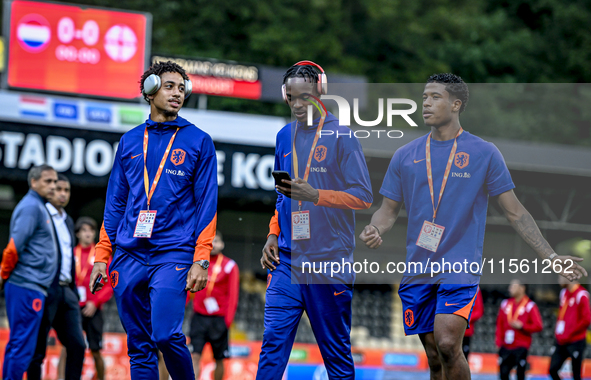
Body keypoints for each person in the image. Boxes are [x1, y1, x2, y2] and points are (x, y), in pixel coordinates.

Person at [359, 73, 586, 380]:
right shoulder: (405, 155)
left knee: (448, 343)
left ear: (456, 104)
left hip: (460, 265)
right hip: (418, 269)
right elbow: (387, 211)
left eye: (435, 97)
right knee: (435, 357)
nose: (425, 103)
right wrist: (376, 228)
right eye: (424, 97)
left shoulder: (484, 153)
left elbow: (515, 211)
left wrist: (551, 257)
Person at [89, 60, 218, 380]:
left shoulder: (199, 141)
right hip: (128, 254)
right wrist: (102, 257)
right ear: (149, 91)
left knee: (165, 334)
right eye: (170, 86)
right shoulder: (129, 141)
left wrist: (201, 259)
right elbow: (115, 204)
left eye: (182, 88)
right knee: (139, 345)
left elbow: (207, 204)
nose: (178, 94)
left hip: (173, 252)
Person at [258, 61, 373, 379]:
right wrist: (272, 234)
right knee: (272, 345)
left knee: (335, 353)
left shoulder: (342, 136)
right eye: (291, 97)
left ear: (320, 91)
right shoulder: (284, 136)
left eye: (304, 97)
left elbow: (363, 197)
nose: (297, 105)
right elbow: (282, 196)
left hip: (328, 264)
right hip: (287, 262)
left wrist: (316, 195)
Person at [1, 165, 59, 379]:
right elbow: (14, 246)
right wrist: (3, 274)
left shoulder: (39, 205)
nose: (53, 186)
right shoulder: (31, 207)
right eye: (48, 181)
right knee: (23, 346)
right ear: (33, 182)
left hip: (31, 286)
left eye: (55, 181)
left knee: (18, 343)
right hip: (26, 285)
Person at [27, 174, 86, 380]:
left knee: (78, 345)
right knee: (38, 349)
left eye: (66, 190)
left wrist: (72, 291)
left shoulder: (68, 220)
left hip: (67, 290)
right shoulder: (40, 214)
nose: (62, 194)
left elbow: (68, 256)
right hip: (45, 289)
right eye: (59, 189)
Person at [58, 217, 114, 380]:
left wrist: (95, 303)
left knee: (95, 349)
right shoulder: (70, 253)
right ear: (77, 234)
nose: (88, 234)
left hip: (93, 310)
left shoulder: (101, 255)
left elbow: (109, 284)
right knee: (66, 347)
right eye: (84, 230)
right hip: (72, 307)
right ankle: (62, 377)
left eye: (91, 230)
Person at [190, 230, 239, 380]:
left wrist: (227, 321)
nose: (214, 244)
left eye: (217, 241)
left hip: (219, 319)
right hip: (198, 317)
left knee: (219, 358)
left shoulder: (230, 266)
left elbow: (233, 295)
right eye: (211, 241)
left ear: (222, 244)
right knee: (194, 356)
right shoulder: (197, 263)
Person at [496, 280, 543, 380]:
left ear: (522, 288)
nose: (510, 288)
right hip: (506, 346)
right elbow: (499, 324)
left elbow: (538, 326)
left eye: (513, 286)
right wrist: (498, 342)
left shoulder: (530, 306)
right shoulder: (505, 304)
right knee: (503, 373)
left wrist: (523, 326)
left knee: (520, 374)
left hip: (521, 346)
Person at [549, 276, 591, 380]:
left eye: (561, 277)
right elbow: (561, 315)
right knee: (552, 369)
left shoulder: (582, 294)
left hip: (576, 341)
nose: (559, 280)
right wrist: (558, 332)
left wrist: (571, 332)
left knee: (576, 374)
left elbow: (586, 319)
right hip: (562, 341)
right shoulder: (563, 293)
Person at [462, 288, 483, 360]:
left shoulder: (475, 289)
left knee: (463, 357)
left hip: (466, 331)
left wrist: (467, 317)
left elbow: (479, 311)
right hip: (450, 329)